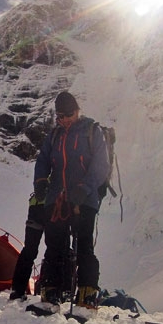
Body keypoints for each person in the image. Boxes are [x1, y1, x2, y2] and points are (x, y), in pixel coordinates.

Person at [33, 91, 110, 306]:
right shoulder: (55, 135)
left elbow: (101, 165)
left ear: (77, 111)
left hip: (84, 200)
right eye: (60, 116)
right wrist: (40, 181)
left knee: (84, 244)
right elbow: (43, 160)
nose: (65, 119)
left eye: (68, 114)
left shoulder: (92, 132)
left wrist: (84, 188)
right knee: (55, 244)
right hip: (57, 199)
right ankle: (51, 291)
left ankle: (86, 294)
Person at [8, 191, 45, 301]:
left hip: (36, 204)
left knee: (29, 250)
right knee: (55, 249)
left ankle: (17, 290)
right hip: (54, 204)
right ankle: (53, 291)